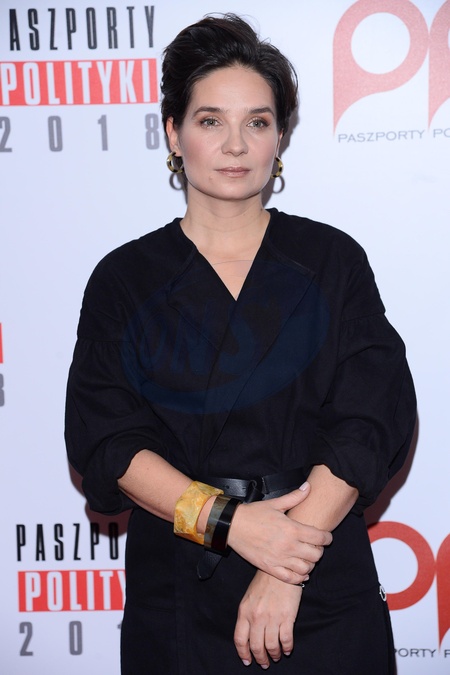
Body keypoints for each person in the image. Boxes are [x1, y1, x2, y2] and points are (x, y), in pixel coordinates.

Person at [65, 13, 416, 674]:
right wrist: (229, 522)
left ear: (280, 137)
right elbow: (107, 440)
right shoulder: (125, 279)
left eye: (257, 122)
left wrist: (287, 562)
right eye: (210, 121)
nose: (235, 145)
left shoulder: (332, 260)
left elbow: (371, 418)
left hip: (319, 575)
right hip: (180, 587)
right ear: (174, 133)